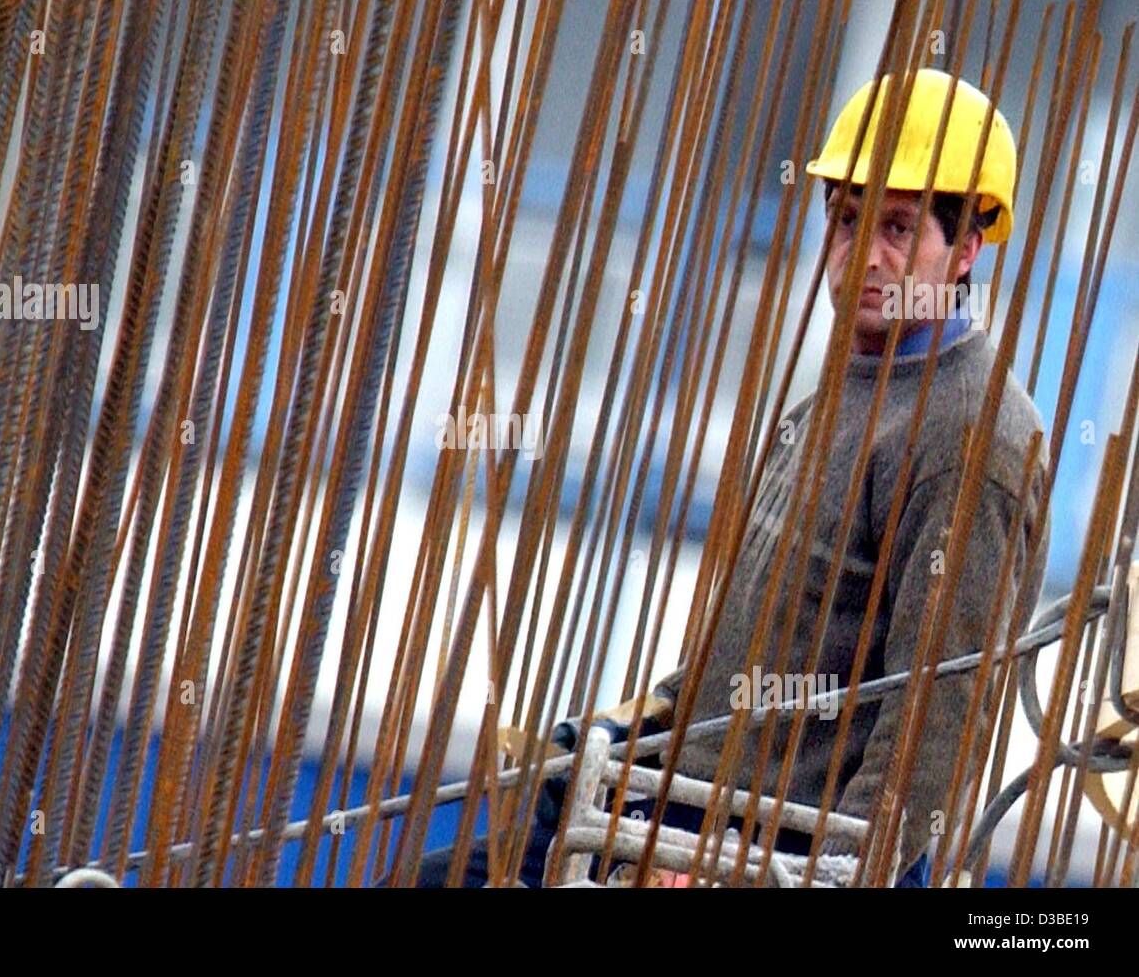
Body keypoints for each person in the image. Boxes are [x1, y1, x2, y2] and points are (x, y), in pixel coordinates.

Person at [412, 68, 1048, 889]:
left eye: (898, 228)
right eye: (848, 220)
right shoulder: (851, 381)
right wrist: (622, 731)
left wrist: (784, 875)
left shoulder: (974, 437)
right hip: (681, 802)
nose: (864, 255)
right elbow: (744, 653)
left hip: (773, 842)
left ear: (965, 251)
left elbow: (936, 725)